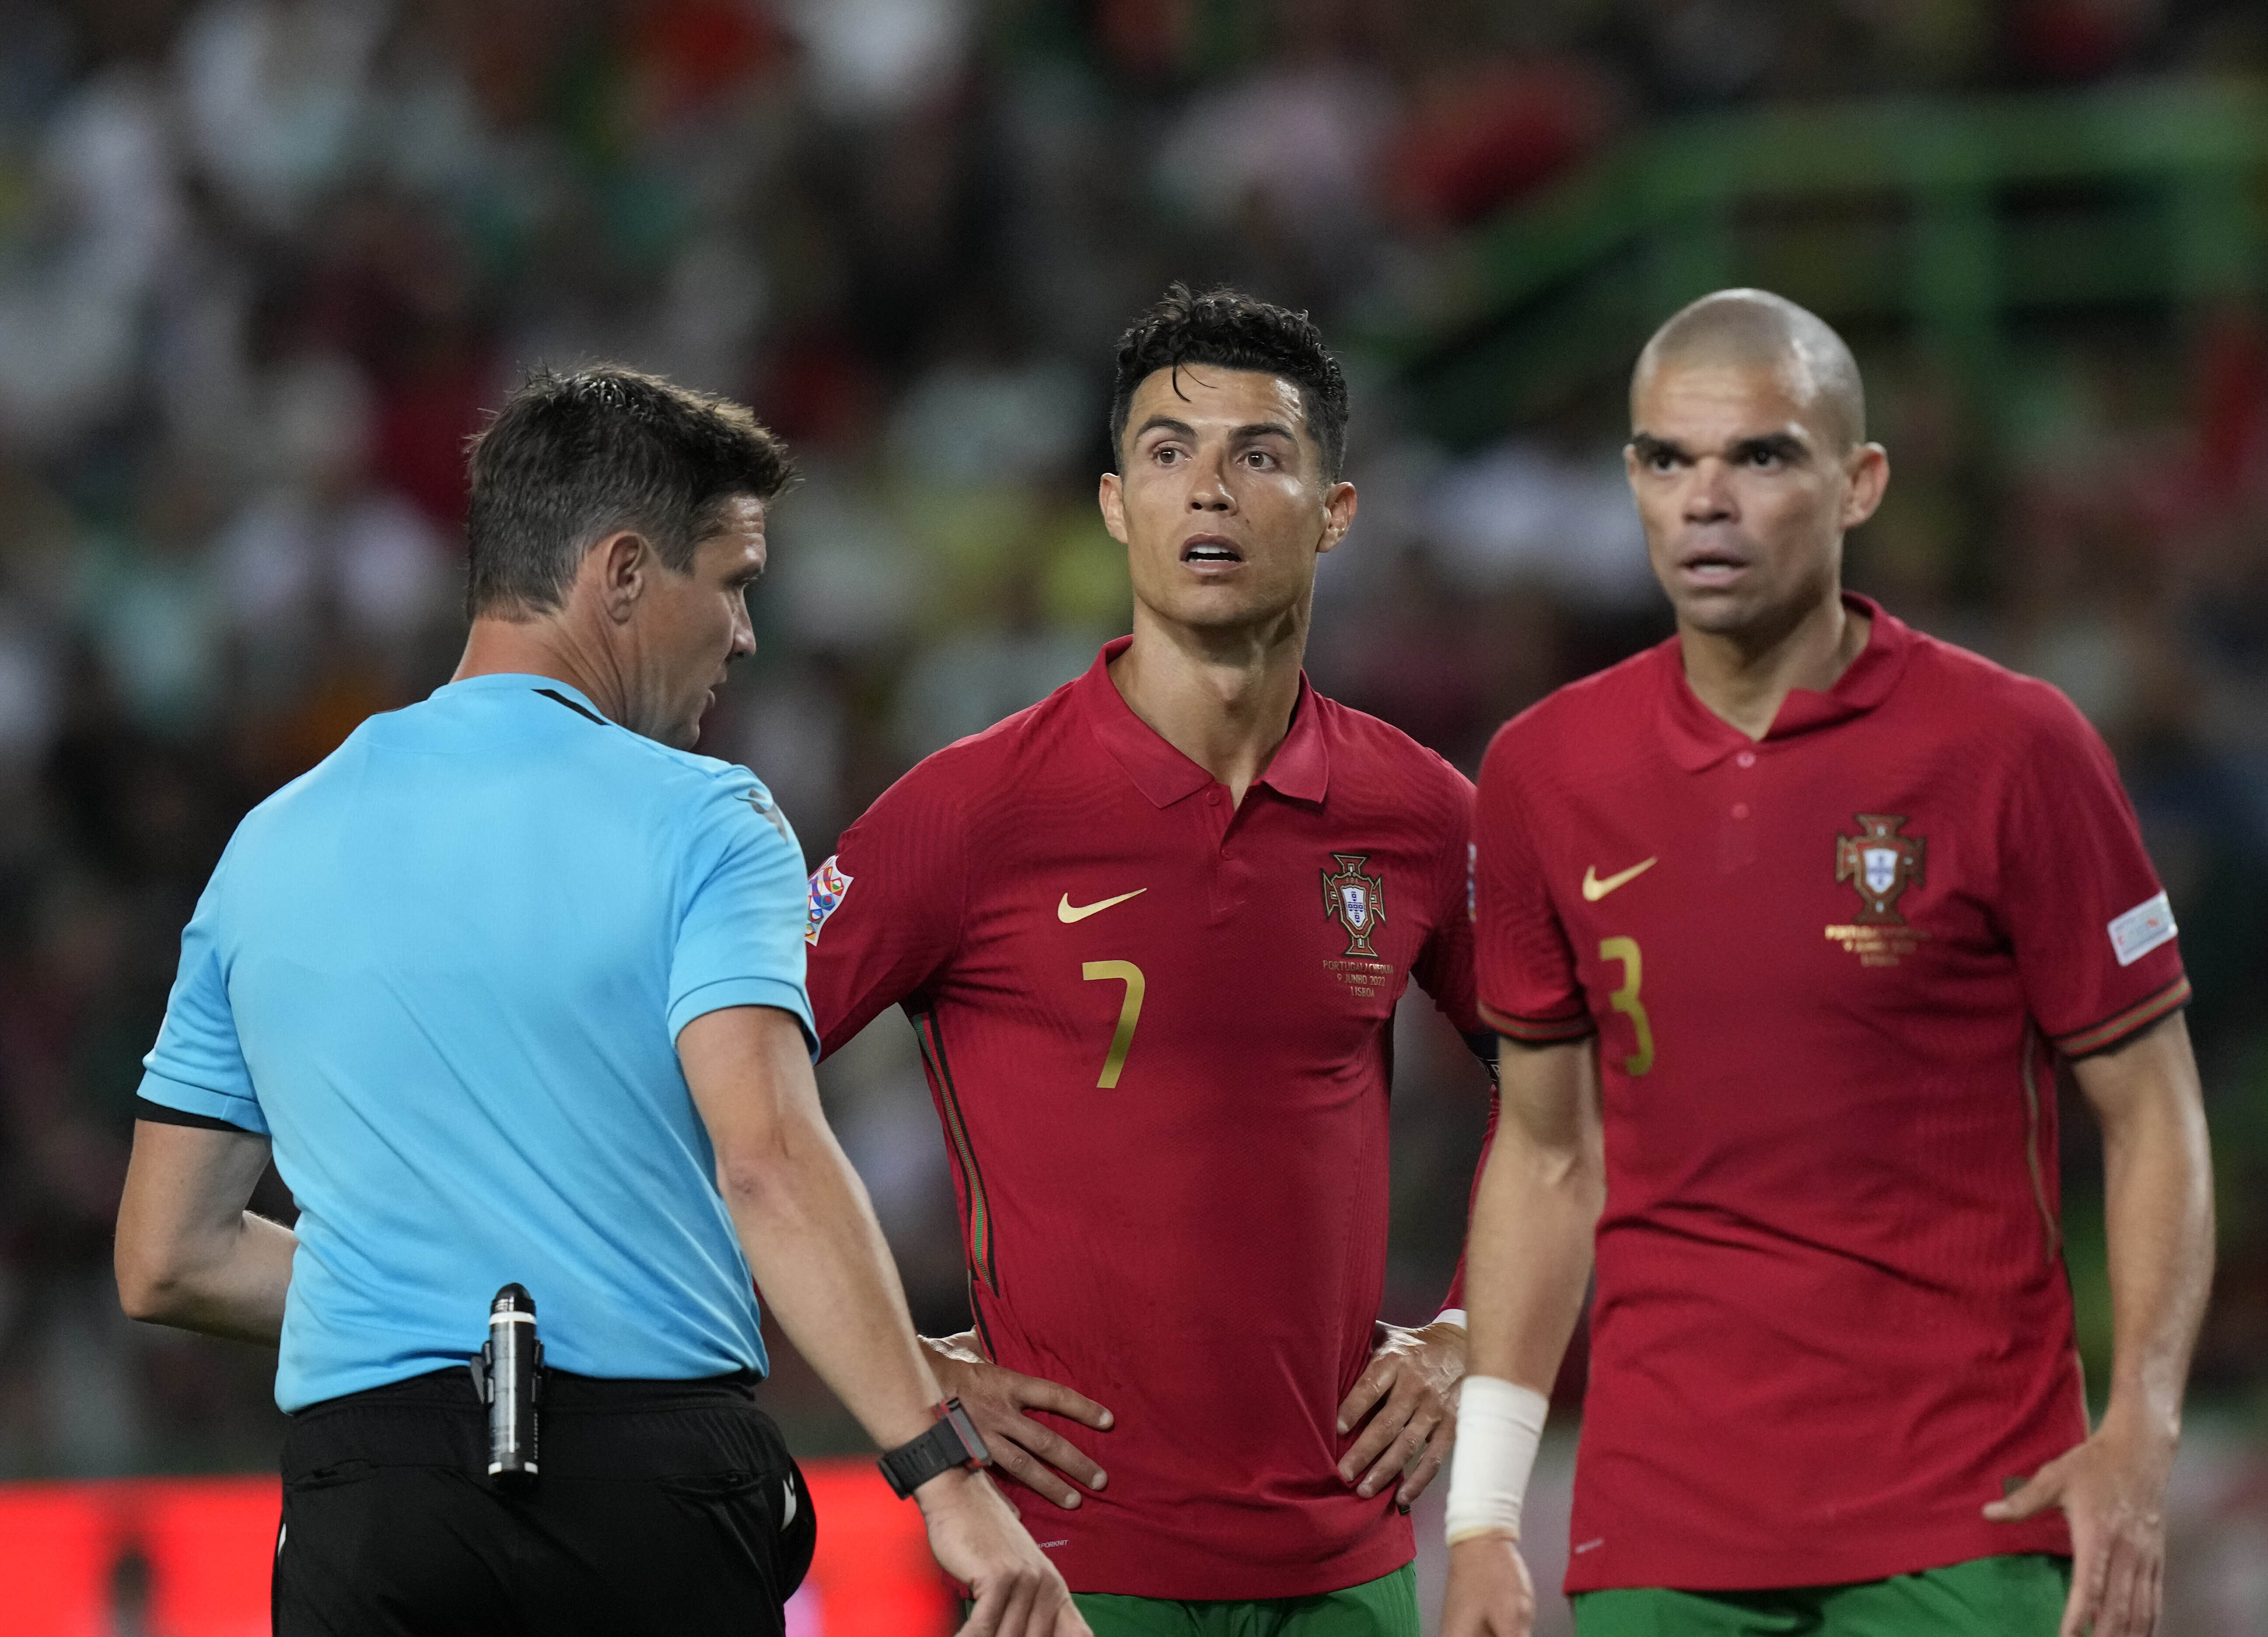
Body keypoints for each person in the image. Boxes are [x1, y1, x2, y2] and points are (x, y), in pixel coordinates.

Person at [112, 366, 1085, 1637]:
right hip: (646, 1492)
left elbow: (167, 1256)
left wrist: (425, 1299)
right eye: (732, 582)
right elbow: (771, 1166)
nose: (744, 635)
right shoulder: (707, 821)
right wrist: (944, 1476)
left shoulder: (269, 845)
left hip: (370, 1506)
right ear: (622, 575)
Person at [1438, 291, 2215, 1637]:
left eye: (1763, 456)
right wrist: (1486, 1514)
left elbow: (2155, 1115)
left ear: (1859, 484)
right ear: (1629, 479)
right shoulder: (1544, 773)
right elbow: (1547, 1161)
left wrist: (2140, 1431)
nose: (1707, 501)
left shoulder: (2011, 749)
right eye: (1668, 460)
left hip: (1965, 1515)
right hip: (1664, 1530)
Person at [802, 285, 1495, 1636]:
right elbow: (712, 1097)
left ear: (1336, 513)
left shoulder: (1421, 818)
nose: (1211, 493)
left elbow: (1577, 1099)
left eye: (1259, 455)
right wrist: (900, 1369)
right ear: (1117, 509)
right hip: (1064, 1573)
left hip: (1350, 1572)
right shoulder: (971, 811)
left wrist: (1474, 1339)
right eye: (1170, 455)